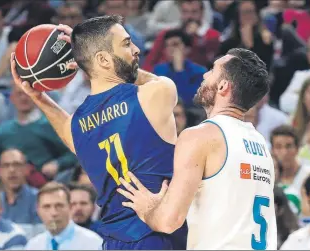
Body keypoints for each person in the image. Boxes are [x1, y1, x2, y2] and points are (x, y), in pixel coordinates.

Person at [10, 15, 187, 250]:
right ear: (103, 59)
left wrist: (37, 96)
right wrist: (87, 50)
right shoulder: (155, 94)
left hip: (113, 241)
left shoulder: (77, 126)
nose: (135, 49)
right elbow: (152, 80)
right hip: (156, 236)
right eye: (126, 44)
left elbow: (63, 126)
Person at [117, 48, 278, 249]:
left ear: (222, 86)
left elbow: (167, 221)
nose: (204, 75)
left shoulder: (200, 136)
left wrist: (149, 208)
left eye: (212, 70)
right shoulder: (260, 143)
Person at [25, 182, 103, 250]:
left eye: (59, 206)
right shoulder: (33, 246)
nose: (53, 213)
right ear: (38, 210)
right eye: (47, 206)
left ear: (70, 207)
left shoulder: (93, 244)